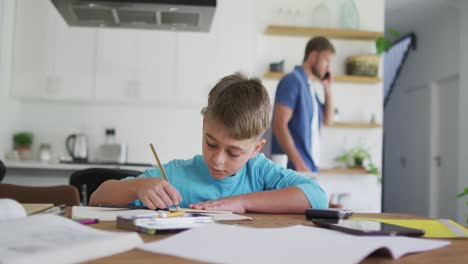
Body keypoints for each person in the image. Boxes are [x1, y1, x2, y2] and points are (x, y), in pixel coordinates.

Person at [90, 73, 328, 213]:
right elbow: (97, 197)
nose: (217, 159)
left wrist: (243, 202)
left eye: (234, 152)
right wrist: (136, 187)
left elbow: (317, 196)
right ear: (204, 126)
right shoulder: (174, 174)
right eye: (211, 144)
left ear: (256, 149)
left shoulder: (259, 173)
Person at [271, 36, 335, 172]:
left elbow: (328, 120)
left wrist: (328, 89)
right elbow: (278, 124)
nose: (328, 68)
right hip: (293, 170)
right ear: (313, 56)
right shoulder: (292, 81)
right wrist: (299, 164)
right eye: (326, 61)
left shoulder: (309, 87)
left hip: (307, 167)